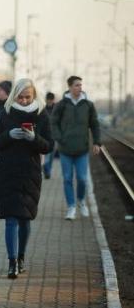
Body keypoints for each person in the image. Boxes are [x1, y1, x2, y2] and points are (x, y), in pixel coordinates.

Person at [0, 78, 53, 279]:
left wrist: (34, 138)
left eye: (28, 97)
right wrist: (9, 135)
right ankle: (12, 261)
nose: (24, 101)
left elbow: (49, 146)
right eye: (21, 97)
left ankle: (22, 257)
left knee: (25, 219)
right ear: (14, 96)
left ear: (34, 96)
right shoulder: (5, 114)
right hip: (7, 172)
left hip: (30, 173)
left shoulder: (41, 115)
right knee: (11, 218)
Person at [50, 76, 101, 220]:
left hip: (82, 149)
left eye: (80, 85)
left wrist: (97, 142)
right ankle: (71, 207)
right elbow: (53, 123)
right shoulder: (61, 105)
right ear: (70, 87)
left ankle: (81, 201)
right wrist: (60, 138)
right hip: (65, 149)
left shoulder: (88, 105)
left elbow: (95, 124)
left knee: (82, 179)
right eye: (77, 85)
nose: (80, 87)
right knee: (67, 179)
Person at [43, 92, 57, 179]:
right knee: (46, 155)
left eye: (51, 100)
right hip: (45, 135)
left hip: (54, 136)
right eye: (48, 100)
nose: (49, 102)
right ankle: (47, 171)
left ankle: (48, 169)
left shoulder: (57, 109)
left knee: (52, 155)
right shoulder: (43, 108)